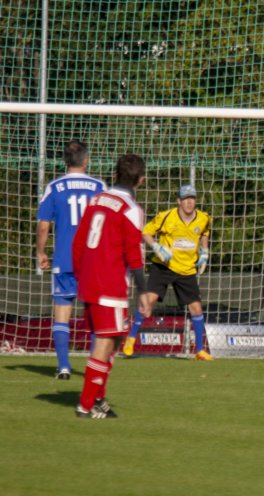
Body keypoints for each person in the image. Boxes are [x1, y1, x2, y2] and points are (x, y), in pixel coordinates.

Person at [72, 154, 152, 418]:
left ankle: (98, 397)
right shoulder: (131, 209)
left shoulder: (96, 200)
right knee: (105, 343)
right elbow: (134, 253)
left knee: (115, 339)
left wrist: (81, 275)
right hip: (110, 284)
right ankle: (86, 405)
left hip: (90, 280)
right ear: (141, 180)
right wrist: (143, 291)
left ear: (115, 174)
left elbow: (79, 242)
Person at [35, 140, 106, 379]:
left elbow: (43, 225)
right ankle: (94, 369)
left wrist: (41, 252)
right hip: (92, 262)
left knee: (62, 313)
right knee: (95, 315)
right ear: (86, 161)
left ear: (66, 161)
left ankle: (64, 367)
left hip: (65, 260)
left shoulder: (54, 187)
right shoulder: (99, 186)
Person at [122, 184, 212, 361]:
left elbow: (204, 233)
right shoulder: (166, 217)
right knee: (148, 302)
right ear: (179, 201)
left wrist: (205, 252)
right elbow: (146, 232)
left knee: (196, 307)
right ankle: (130, 340)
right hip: (164, 266)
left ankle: (200, 351)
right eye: (185, 199)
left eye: (192, 198)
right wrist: (156, 246)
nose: (189, 202)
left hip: (186, 269)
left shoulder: (204, 218)